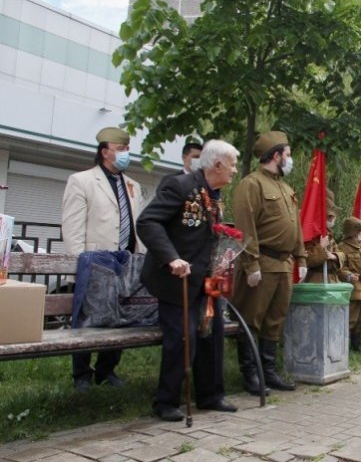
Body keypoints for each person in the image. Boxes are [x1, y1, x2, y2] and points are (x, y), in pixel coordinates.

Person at [136, 139, 240, 421]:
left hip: (206, 282)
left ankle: (211, 395)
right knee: (183, 338)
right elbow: (148, 222)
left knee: (212, 336)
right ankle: (166, 401)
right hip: (176, 281)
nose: (234, 170)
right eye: (232, 164)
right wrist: (171, 258)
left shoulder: (215, 195)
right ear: (217, 164)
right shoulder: (179, 186)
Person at [61, 127, 145, 391]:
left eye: (127, 149)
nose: (125, 154)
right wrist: (77, 266)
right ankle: (81, 374)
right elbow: (73, 227)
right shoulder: (82, 180)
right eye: (120, 149)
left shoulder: (133, 186)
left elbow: (136, 226)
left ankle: (106, 370)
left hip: (125, 264)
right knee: (86, 319)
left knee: (120, 317)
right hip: (94, 264)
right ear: (104, 151)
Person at [230, 131, 307, 395]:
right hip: (262, 262)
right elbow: (245, 227)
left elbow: (294, 226)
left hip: (284, 265)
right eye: (287, 154)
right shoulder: (251, 185)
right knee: (252, 319)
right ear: (276, 155)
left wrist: (302, 256)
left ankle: (269, 372)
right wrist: (251, 264)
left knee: (275, 320)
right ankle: (251, 375)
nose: (290, 159)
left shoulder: (285, 188)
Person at [338, 217, 361, 351]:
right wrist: (347, 275)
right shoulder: (342, 248)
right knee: (350, 320)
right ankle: (343, 348)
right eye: (360, 230)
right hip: (353, 288)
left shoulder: (360, 248)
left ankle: (356, 346)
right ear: (353, 232)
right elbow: (339, 268)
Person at [305, 188, 345, 284]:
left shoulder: (328, 234)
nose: (333, 219)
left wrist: (335, 256)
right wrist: (321, 247)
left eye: (332, 216)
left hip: (331, 283)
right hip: (314, 284)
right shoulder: (307, 232)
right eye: (329, 216)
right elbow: (305, 260)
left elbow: (341, 254)